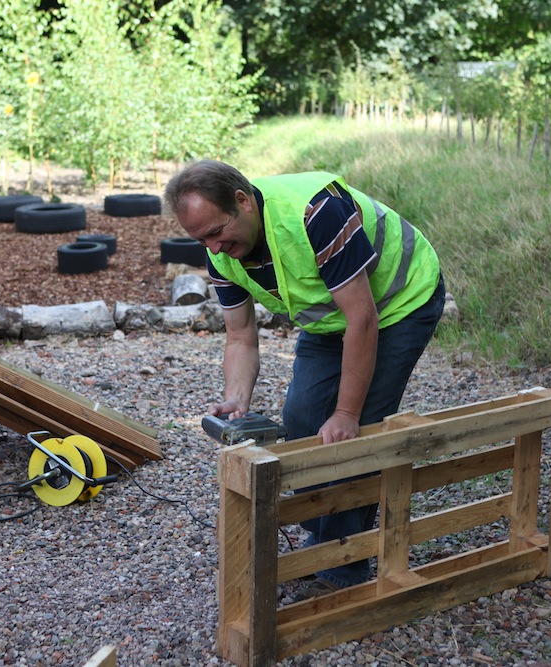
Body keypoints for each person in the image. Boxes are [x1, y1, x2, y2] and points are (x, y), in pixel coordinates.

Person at [164, 159, 445, 595]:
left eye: (217, 232)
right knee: (301, 418)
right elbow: (240, 336)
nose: (213, 248)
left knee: (355, 431)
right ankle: (324, 530)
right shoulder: (220, 251)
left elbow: (363, 320)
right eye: (201, 239)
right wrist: (236, 398)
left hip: (399, 300)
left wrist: (348, 412)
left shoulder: (317, 212)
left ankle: (341, 564)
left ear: (243, 201)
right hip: (334, 319)